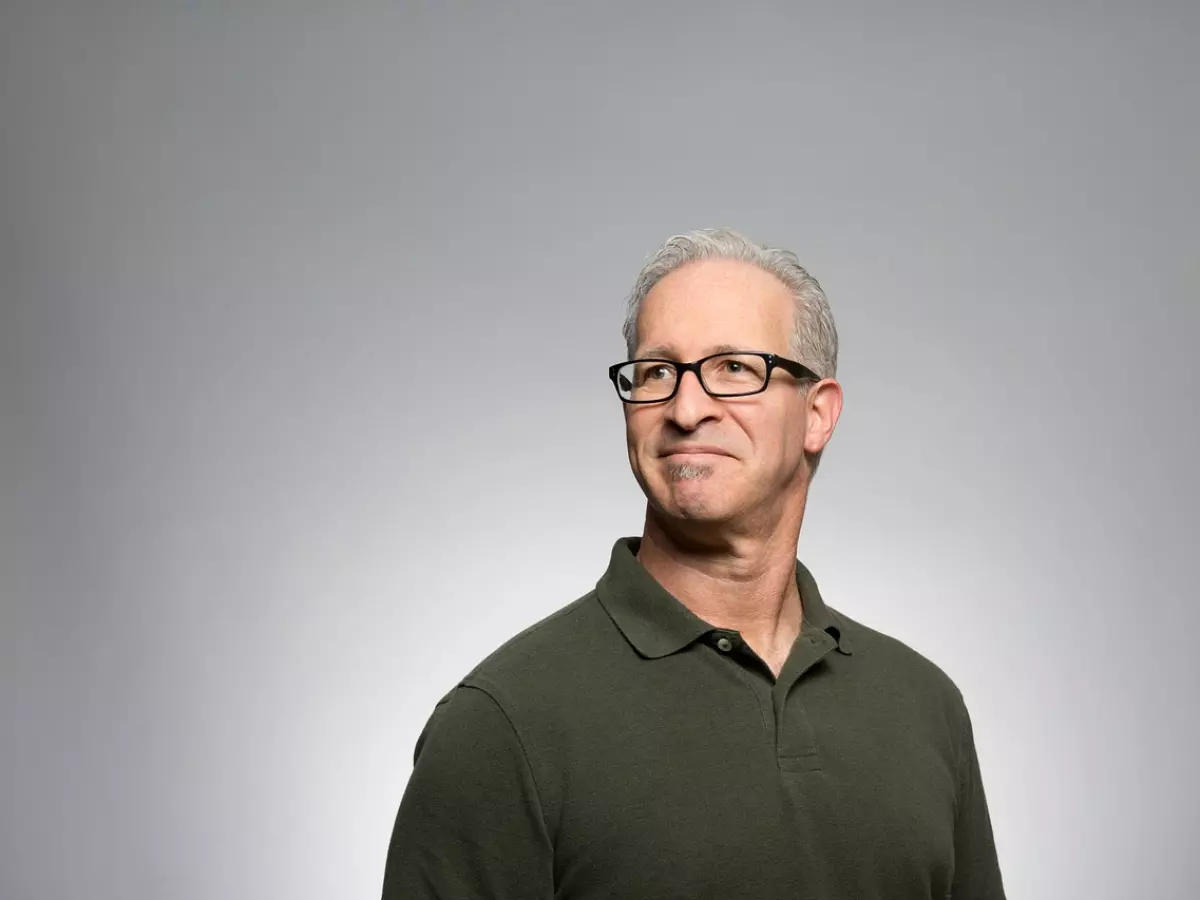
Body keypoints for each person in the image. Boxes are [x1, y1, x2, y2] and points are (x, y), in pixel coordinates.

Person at [381, 228, 1006, 899]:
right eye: (656, 373)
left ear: (818, 414)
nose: (685, 408)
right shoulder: (503, 725)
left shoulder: (923, 706)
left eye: (734, 368)